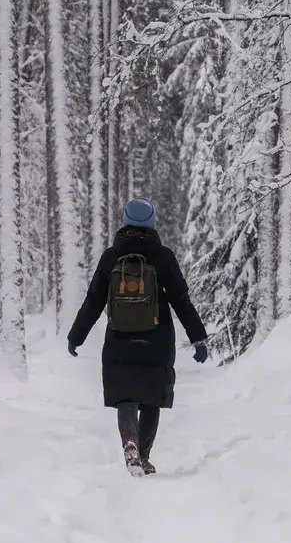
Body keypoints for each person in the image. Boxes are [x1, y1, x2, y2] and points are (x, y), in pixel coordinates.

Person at [66, 198, 209, 477]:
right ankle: (143, 456)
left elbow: (93, 300)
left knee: (127, 395)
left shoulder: (111, 257)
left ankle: (128, 442)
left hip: (120, 337)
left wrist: (76, 336)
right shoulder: (163, 257)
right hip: (157, 339)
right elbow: (181, 300)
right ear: (153, 223)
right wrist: (198, 338)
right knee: (151, 398)